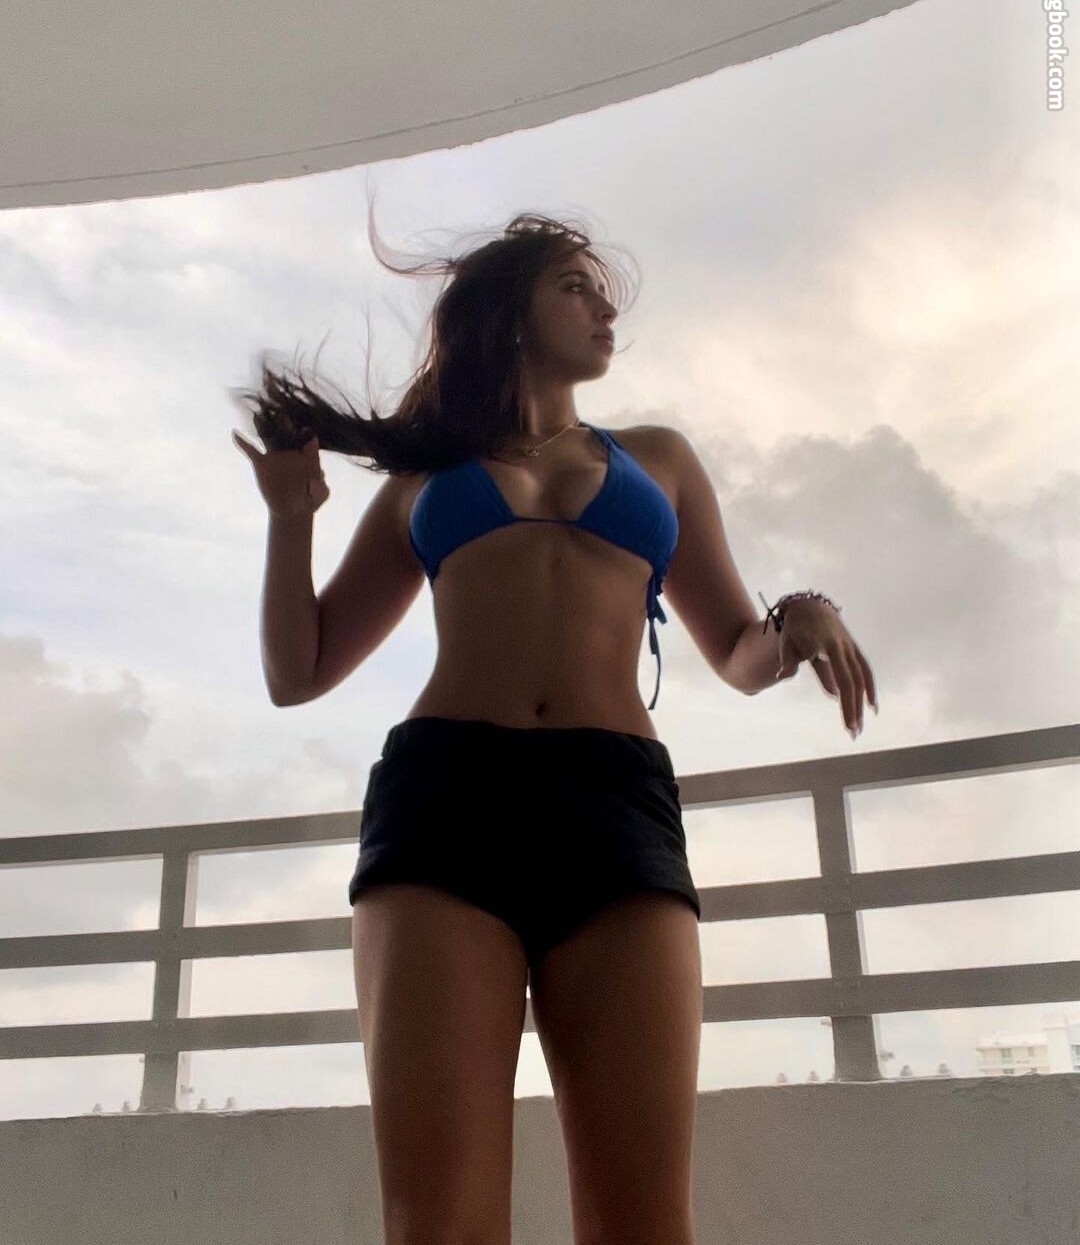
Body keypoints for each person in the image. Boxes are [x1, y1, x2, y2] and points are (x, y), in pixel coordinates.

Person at [230, 208, 877, 1245]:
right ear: (511, 314)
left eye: (603, 292)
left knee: (643, 1225)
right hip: (446, 804)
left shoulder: (659, 460)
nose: (605, 309)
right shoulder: (423, 480)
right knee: (439, 1226)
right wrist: (290, 521)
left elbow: (737, 653)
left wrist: (798, 617)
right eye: (576, 286)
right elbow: (296, 673)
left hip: (613, 805)